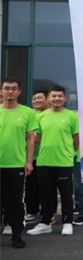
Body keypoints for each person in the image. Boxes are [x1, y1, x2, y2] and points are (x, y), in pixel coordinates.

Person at [27, 85, 79, 236]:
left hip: (64, 162)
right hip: (44, 162)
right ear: (49, 98)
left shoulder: (71, 116)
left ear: (64, 98)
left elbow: (76, 140)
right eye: (54, 96)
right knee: (46, 194)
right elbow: (38, 138)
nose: (57, 98)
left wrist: (68, 153)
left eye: (60, 96)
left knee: (66, 194)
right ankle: (45, 223)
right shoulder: (40, 117)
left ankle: (67, 222)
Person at [0, 78, 37, 248]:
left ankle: (17, 235)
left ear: (19, 92)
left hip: (16, 165)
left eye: (14, 89)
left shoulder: (27, 112)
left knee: (16, 201)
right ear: (1, 91)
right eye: (7, 88)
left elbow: (30, 139)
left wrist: (29, 161)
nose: (10, 91)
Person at [23, 89, 49, 222]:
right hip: (31, 157)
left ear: (47, 99)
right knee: (30, 187)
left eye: (39, 98)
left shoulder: (51, 115)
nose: (36, 101)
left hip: (46, 158)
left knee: (45, 188)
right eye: (34, 99)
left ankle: (47, 214)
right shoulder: (30, 114)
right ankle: (32, 212)